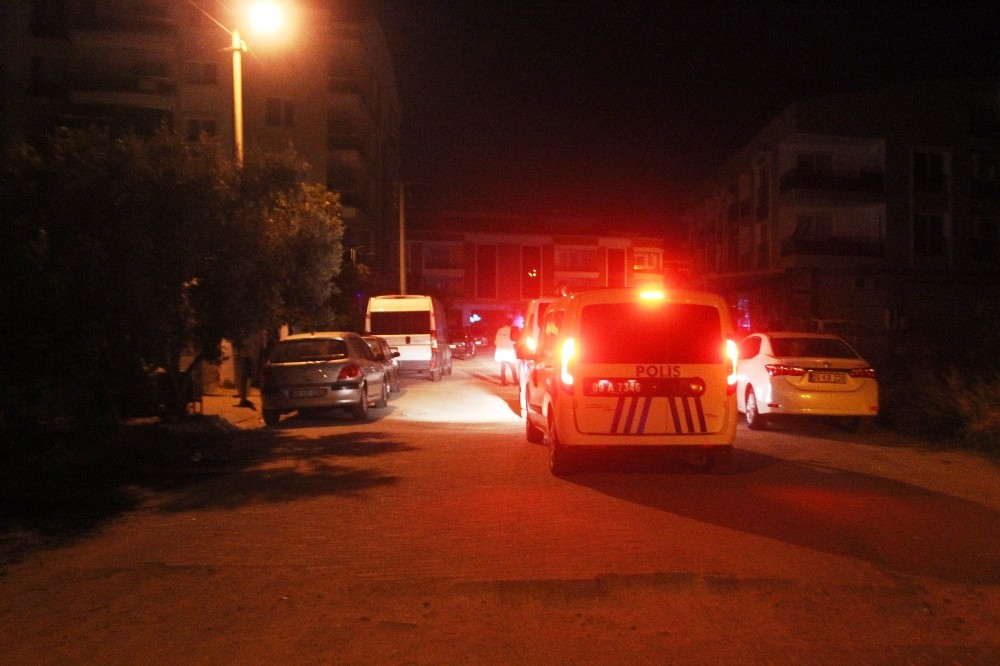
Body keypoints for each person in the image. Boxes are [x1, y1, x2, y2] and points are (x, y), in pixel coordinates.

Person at [494, 317, 518, 385]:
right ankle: (515, 381)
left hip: (501, 351)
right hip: (509, 351)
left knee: (503, 367)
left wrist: (499, 346)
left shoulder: (499, 330)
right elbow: (514, 340)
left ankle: (503, 382)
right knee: (513, 367)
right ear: (511, 323)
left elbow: (496, 341)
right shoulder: (512, 330)